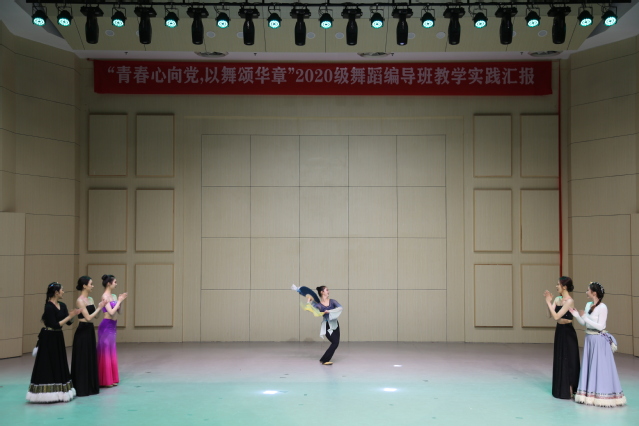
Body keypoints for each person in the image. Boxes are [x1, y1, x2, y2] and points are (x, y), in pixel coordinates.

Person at [569, 282, 626, 407]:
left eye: (588, 290)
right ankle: (589, 395)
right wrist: (577, 316)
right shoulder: (588, 304)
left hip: (599, 340)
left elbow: (601, 326)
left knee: (599, 367)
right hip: (589, 338)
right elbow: (585, 324)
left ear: (594, 293)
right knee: (590, 366)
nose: (586, 292)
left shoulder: (603, 307)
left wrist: (585, 317)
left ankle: (602, 395)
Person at [26, 282, 81, 403]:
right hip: (49, 338)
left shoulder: (63, 305)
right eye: (62, 290)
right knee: (48, 363)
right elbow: (54, 324)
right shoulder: (48, 307)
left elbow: (68, 322)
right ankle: (47, 393)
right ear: (56, 292)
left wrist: (73, 315)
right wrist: (69, 316)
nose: (63, 292)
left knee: (59, 362)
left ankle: (61, 391)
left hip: (58, 337)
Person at [543, 276, 580, 399]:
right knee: (560, 358)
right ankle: (561, 389)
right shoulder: (558, 299)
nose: (556, 286)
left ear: (564, 286)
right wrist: (548, 302)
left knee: (569, 360)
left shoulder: (569, 301)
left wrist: (549, 302)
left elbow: (556, 316)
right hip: (559, 331)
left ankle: (571, 388)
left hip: (568, 332)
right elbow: (549, 315)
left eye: (558, 284)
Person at [71, 276, 106, 397]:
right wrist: (99, 307)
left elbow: (95, 316)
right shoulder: (79, 301)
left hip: (90, 330)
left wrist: (100, 306)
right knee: (82, 359)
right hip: (82, 331)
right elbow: (88, 317)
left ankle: (90, 387)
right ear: (84, 286)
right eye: (91, 284)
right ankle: (81, 388)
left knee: (90, 357)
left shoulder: (90, 299)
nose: (93, 286)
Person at [97, 274, 127, 387]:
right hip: (106, 326)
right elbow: (111, 312)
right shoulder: (105, 296)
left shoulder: (113, 296)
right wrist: (119, 300)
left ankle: (112, 378)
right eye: (115, 282)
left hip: (113, 326)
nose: (116, 284)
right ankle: (105, 380)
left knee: (111, 351)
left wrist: (120, 302)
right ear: (109, 283)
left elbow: (119, 312)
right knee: (105, 352)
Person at [306, 286, 343, 365]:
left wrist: (329, 311)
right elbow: (309, 309)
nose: (328, 291)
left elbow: (340, 308)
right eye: (327, 290)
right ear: (322, 292)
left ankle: (323, 359)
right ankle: (325, 360)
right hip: (326, 325)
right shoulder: (319, 305)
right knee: (335, 343)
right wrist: (308, 301)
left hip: (335, 324)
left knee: (336, 343)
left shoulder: (332, 301)